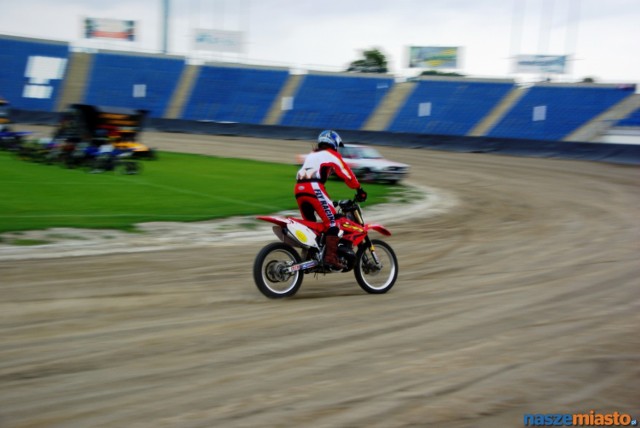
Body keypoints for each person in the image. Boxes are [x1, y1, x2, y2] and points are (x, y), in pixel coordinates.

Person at [295, 130, 367, 269]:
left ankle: (311, 257)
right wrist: (359, 189)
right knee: (333, 223)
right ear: (333, 143)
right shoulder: (331, 154)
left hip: (299, 189)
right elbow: (346, 172)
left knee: (312, 226)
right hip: (314, 187)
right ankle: (330, 258)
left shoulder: (313, 154)